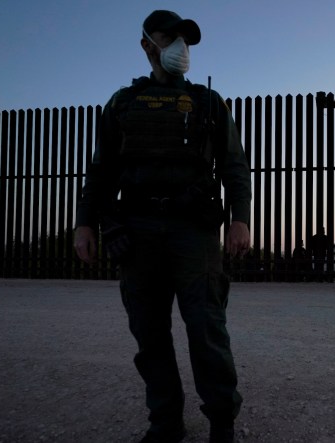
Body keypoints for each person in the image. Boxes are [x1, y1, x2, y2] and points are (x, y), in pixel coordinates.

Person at [73, 10, 251, 443]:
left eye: (184, 41)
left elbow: (233, 164)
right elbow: (101, 170)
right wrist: (85, 223)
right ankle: (165, 422)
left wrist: (240, 219)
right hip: (136, 232)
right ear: (146, 45)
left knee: (207, 331)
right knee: (150, 336)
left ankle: (222, 423)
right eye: (169, 38)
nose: (179, 48)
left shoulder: (210, 103)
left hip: (194, 231)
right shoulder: (121, 103)